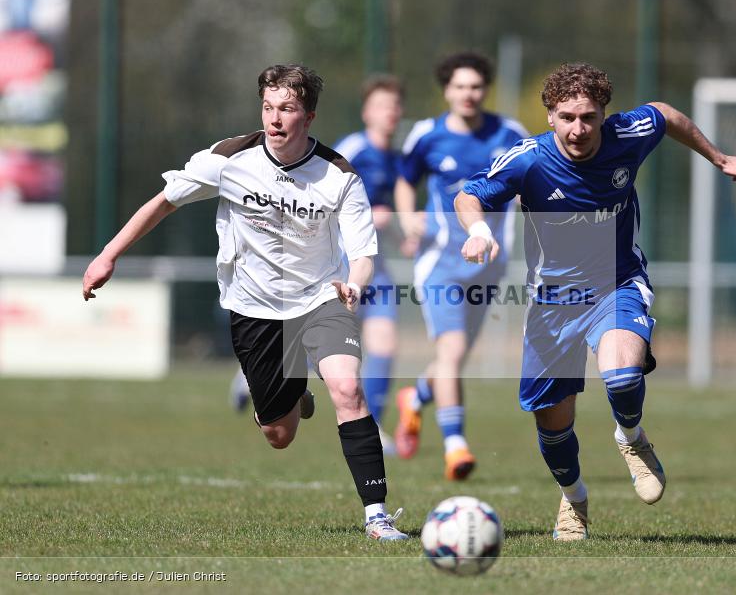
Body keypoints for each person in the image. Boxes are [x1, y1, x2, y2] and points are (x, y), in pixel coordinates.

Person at [82, 64, 408, 541]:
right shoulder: (229, 158)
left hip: (320, 298)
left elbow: (362, 255)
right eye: (269, 108)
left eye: (288, 110)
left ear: (309, 116)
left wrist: (354, 285)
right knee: (279, 436)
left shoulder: (339, 176)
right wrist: (107, 256)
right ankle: (293, 391)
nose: (275, 120)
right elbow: (164, 201)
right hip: (253, 308)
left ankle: (377, 517)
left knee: (348, 390)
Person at [454, 62, 736, 540]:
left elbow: (664, 114)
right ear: (550, 117)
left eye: (589, 117)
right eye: (567, 117)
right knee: (554, 428)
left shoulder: (628, 134)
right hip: (551, 303)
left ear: (604, 116)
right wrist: (476, 230)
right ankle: (575, 500)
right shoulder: (529, 159)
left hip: (616, 284)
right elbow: (469, 196)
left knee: (622, 374)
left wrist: (719, 159)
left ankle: (632, 438)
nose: (579, 129)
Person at [392, 51, 528, 480]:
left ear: (484, 89)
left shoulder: (509, 133)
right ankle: (455, 445)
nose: (468, 94)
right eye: (460, 86)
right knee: (449, 353)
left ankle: (414, 400)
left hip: (489, 264)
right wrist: (408, 216)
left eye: (475, 86)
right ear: (447, 90)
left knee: (455, 357)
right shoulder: (427, 135)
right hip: (440, 261)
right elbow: (404, 179)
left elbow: (529, 179)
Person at [333, 75, 406, 455]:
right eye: (381, 105)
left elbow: (385, 213)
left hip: (375, 265)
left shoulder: (396, 160)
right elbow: (320, 200)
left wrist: (401, 235)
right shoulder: (352, 149)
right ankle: (253, 377)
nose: (389, 112)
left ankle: (371, 425)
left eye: (394, 106)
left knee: (384, 342)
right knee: (318, 345)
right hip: (340, 261)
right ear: (366, 112)